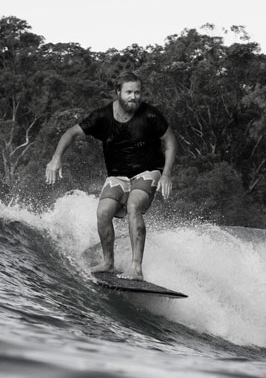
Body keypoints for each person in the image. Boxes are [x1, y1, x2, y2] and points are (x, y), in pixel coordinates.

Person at [46, 72, 177, 281]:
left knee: (134, 206)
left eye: (137, 92)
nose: (134, 97)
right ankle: (108, 262)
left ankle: (136, 268)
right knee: (103, 212)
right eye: (129, 92)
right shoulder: (102, 117)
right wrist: (56, 158)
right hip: (117, 176)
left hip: (147, 171)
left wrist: (166, 174)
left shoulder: (151, 116)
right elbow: (71, 133)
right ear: (118, 93)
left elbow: (170, 142)